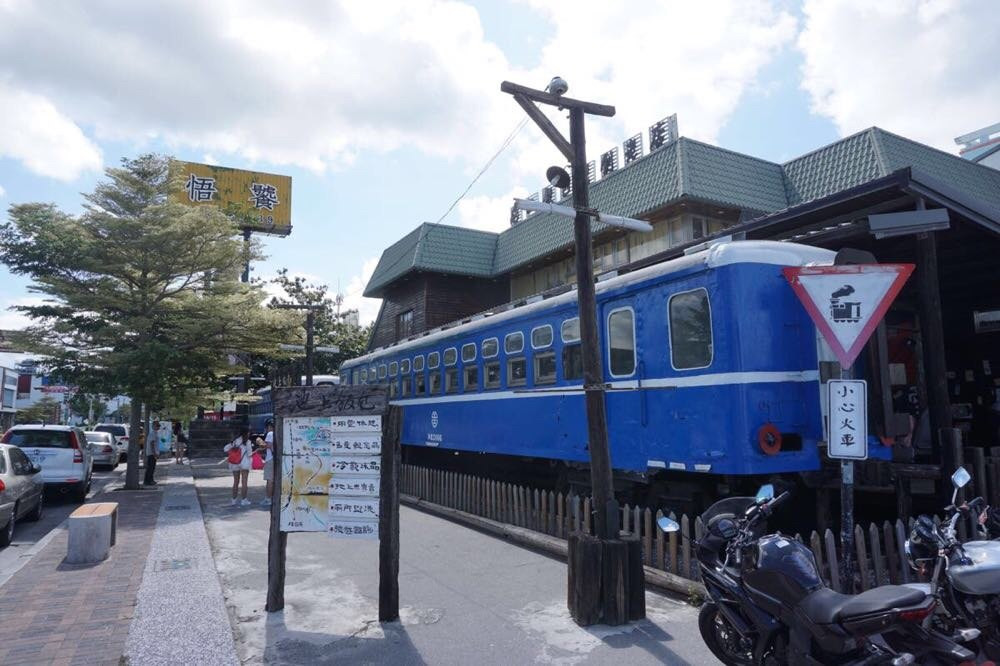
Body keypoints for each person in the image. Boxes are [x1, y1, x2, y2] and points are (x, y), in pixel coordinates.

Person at [224, 427, 254, 506]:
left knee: (235, 482)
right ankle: (244, 500)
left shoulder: (235, 441)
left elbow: (225, 449)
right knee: (244, 483)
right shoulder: (248, 442)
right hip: (244, 464)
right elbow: (250, 454)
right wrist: (257, 450)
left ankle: (234, 500)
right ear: (247, 433)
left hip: (234, 463)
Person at [259, 420, 275, 506]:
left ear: (269, 427)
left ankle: (268, 499)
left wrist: (261, 443)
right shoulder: (277, 433)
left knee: (269, 480)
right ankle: (269, 497)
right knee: (272, 480)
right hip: (275, 458)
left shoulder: (270, 434)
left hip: (270, 459)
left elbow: (268, 445)